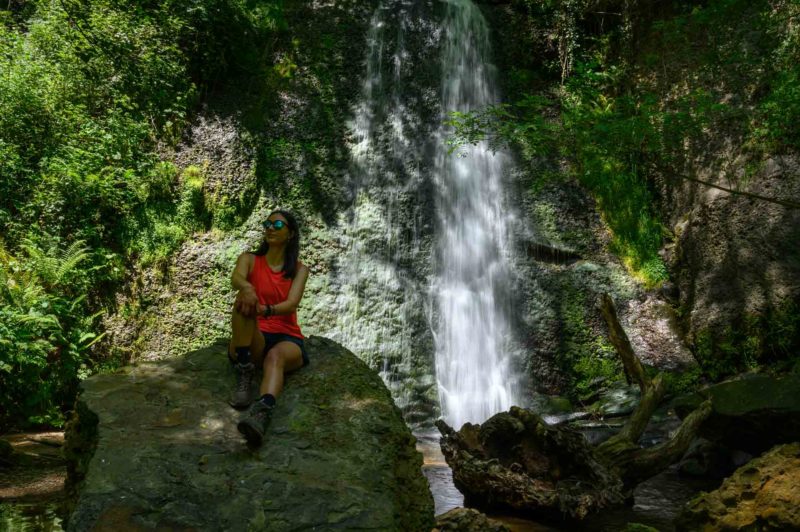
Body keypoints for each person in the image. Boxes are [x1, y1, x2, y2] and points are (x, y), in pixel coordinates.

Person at [228, 210, 309, 446]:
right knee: (243, 300)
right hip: (255, 335)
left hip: (287, 336)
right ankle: (245, 368)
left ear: (290, 234)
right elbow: (236, 278)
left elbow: (292, 303)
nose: (270, 228)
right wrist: (248, 289)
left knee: (275, 357)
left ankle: (262, 413)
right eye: (267, 224)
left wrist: (268, 310)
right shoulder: (249, 259)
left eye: (277, 224)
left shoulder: (300, 270)